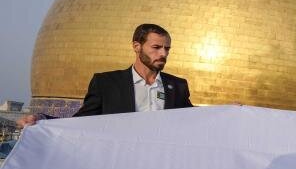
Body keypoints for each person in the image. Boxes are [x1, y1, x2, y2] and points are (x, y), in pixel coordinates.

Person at [17, 23, 193, 128]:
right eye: (156, 47)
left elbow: (194, 123)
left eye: (167, 48)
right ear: (137, 46)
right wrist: (42, 120)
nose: (163, 53)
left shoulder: (177, 86)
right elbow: (81, 122)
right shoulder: (107, 84)